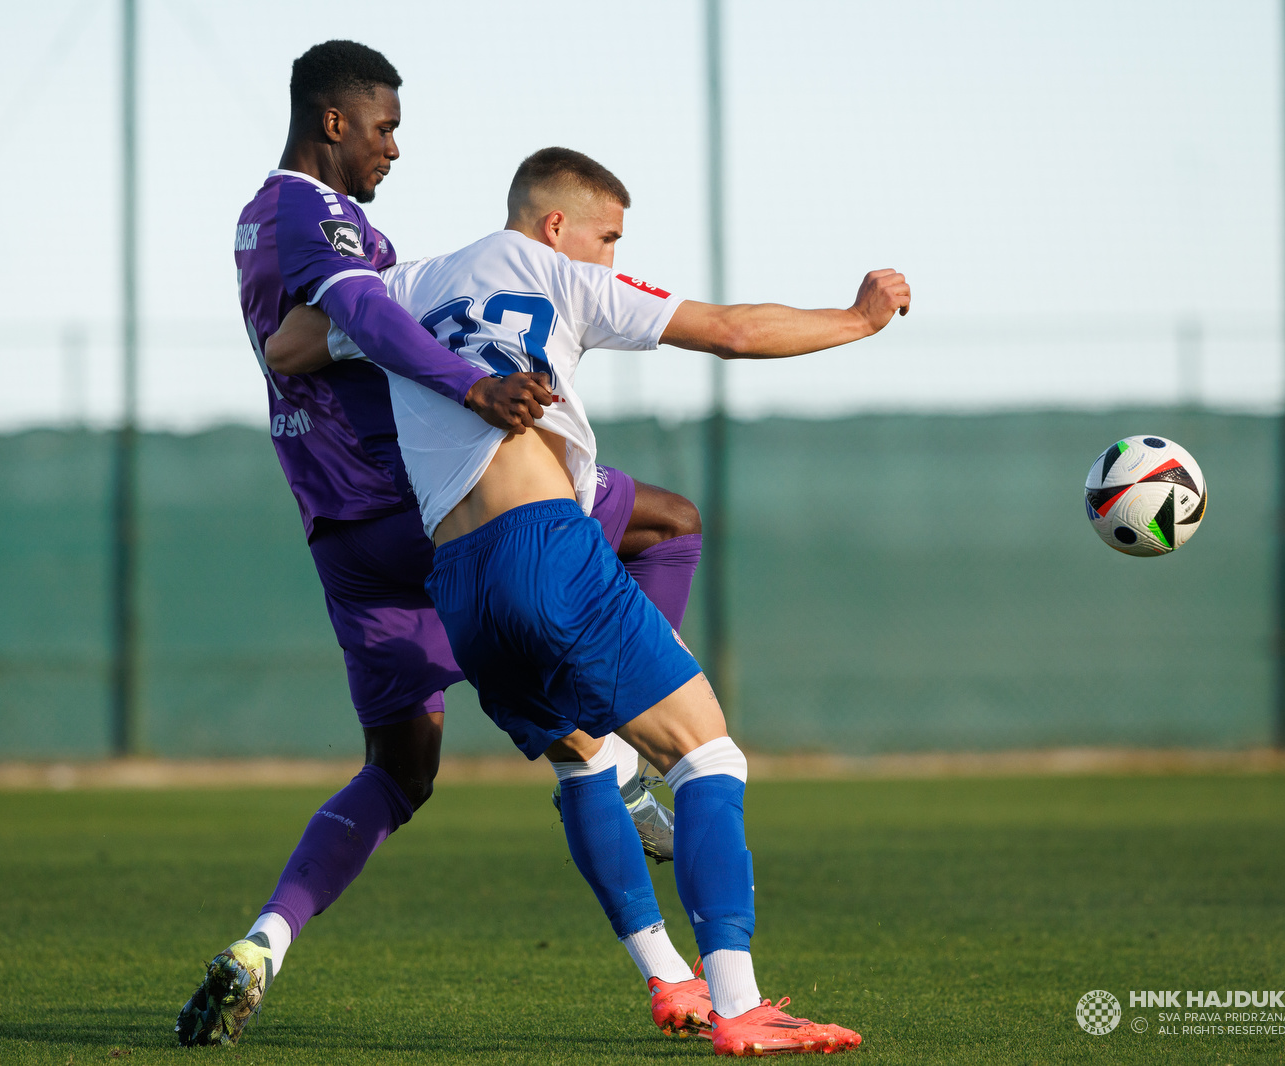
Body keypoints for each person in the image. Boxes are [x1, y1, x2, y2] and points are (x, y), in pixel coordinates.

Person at [176, 42, 704, 1046]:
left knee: (401, 771)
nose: (393, 147)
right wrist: (474, 384)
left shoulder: (270, 223)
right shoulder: (308, 210)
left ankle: (262, 941)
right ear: (334, 121)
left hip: (341, 540)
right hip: (417, 505)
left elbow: (301, 340)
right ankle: (635, 758)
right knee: (664, 530)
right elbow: (362, 312)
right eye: (384, 127)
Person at [328, 147, 909, 1055]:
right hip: (546, 545)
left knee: (585, 763)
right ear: (557, 225)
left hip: (460, 584)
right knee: (708, 754)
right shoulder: (560, 271)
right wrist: (859, 319)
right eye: (609, 237)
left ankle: (667, 981)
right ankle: (742, 1006)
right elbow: (731, 331)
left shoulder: (399, 288)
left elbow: (292, 342)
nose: (610, 257)